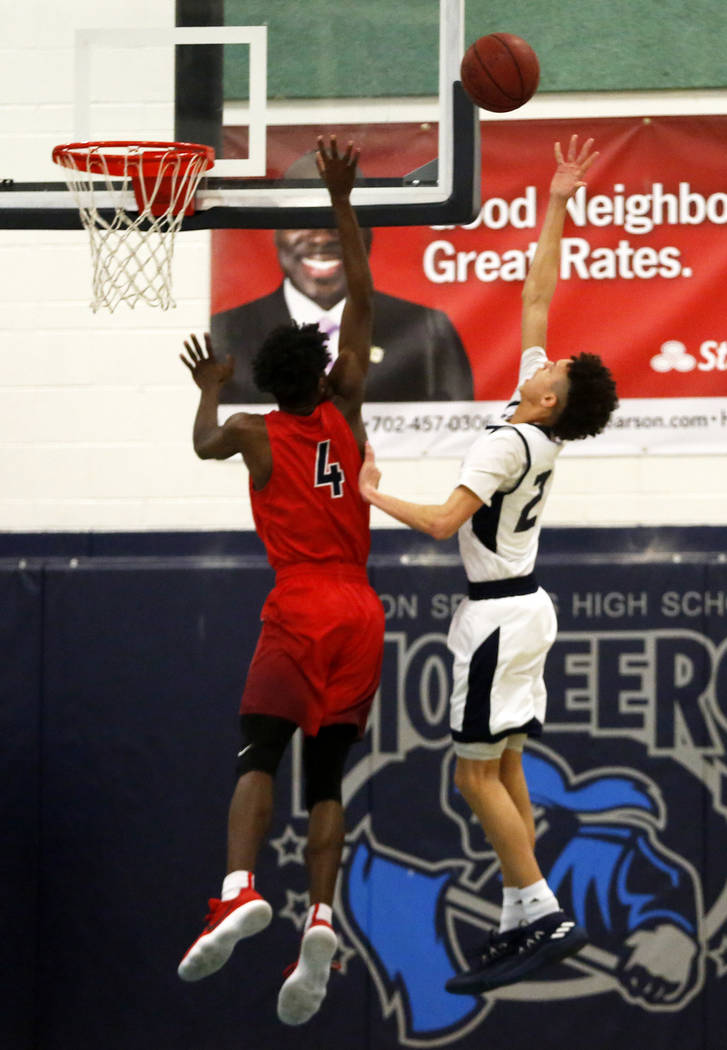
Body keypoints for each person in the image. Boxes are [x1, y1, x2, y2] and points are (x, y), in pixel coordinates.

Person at [358, 135, 618, 995]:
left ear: (551, 396)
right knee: (502, 769)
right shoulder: (535, 414)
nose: (556, 351)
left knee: (471, 775)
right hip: (523, 608)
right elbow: (535, 291)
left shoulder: (508, 444)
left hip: (498, 614)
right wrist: (555, 202)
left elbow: (438, 523)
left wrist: (369, 492)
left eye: (562, 367)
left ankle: (540, 911)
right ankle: (518, 916)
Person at [177, 136, 386, 1027]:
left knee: (257, 754)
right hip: (360, 609)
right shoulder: (346, 406)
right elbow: (366, 301)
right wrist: (344, 202)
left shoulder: (255, 433)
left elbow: (201, 444)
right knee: (328, 778)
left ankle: (236, 890)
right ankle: (323, 914)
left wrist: (208, 389)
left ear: (265, 380)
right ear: (324, 372)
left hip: (300, 602)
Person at [211, 152, 473, 404]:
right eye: (302, 220)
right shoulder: (229, 331)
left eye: (338, 220)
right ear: (275, 231)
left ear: (368, 232)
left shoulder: (429, 332)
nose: (322, 237)